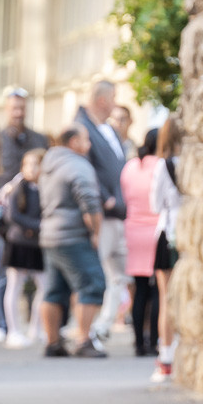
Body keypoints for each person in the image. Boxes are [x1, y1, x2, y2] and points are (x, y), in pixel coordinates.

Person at [38, 125, 106, 358]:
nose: (89, 145)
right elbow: (90, 203)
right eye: (86, 139)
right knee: (91, 284)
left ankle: (52, 342)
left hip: (50, 235)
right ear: (74, 141)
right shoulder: (77, 165)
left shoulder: (49, 164)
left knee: (54, 291)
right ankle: (84, 340)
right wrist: (96, 231)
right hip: (73, 235)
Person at [74, 80, 128, 344]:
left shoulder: (106, 128)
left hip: (118, 213)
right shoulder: (82, 126)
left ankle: (102, 326)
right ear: (103, 100)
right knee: (95, 275)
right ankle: (84, 332)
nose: (116, 104)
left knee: (118, 275)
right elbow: (86, 168)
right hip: (101, 213)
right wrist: (105, 199)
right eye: (114, 98)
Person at [0, 87, 49, 342]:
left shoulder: (38, 138)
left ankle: (34, 325)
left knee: (37, 279)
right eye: (14, 108)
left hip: (35, 214)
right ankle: (4, 325)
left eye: (22, 108)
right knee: (6, 276)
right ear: (7, 109)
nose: (18, 112)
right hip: (9, 216)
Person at [0, 149, 46, 349]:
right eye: (27, 165)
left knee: (44, 286)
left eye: (35, 164)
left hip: (38, 244)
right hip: (18, 243)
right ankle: (14, 331)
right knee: (14, 285)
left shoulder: (45, 187)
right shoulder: (17, 187)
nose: (31, 169)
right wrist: (35, 226)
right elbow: (12, 215)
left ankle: (37, 328)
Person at [149, 115, 183, 382]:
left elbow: (155, 204)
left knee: (166, 298)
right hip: (192, 235)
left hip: (169, 234)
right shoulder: (193, 162)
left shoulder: (165, 165)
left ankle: (167, 357)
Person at [120, 128, 160, 357]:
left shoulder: (130, 167)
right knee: (157, 291)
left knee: (140, 289)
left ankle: (138, 342)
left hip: (134, 231)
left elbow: (125, 196)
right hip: (156, 231)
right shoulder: (161, 166)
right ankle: (153, 341)